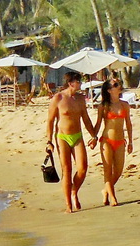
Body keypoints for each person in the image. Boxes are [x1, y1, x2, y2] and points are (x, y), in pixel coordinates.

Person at [46, 71, 97, 213]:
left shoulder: (80, 99)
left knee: (82, 168)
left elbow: (86, 119)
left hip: (77, 136)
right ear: (71, 83)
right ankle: (68, 204)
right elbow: (50, 121)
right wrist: (49, 141)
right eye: (79, 81)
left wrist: (94, 136)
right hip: (62, 137)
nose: (81, 84)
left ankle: (74, 190)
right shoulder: (58, 98)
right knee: (66, 170)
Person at [91, 78, 133, 206]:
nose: (119, 86)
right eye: (115, 85)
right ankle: (113, 197)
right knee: (108, 170)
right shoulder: (103, 106)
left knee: (119, 171)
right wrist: (93, 137)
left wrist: (130, 141)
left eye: (119, 84)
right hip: (106, 140)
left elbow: (128, 124)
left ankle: (106, 190)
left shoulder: (124, 104)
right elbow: (98, 124)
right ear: (109, 90)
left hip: (120, 140)